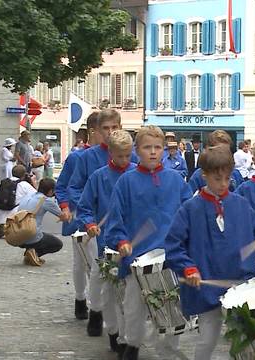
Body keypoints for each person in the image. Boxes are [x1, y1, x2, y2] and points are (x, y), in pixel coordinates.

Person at [165, 145, 255, 360]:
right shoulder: (190, 208)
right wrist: (188, 268)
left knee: (249, 339)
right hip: (208, 283)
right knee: (208, 339)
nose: (223, 184)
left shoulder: (241, 204)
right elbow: (173, 244)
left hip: (242, 281)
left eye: (227, 178)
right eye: (217, 179)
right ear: (204, 175)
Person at [106, 125, 192, 360]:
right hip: (138, 258)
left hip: (170, 256)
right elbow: (116, 218)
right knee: (134, 308)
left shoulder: (176, 181)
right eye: (147, 148)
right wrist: (122, 241)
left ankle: (170, 349)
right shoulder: (126, 182)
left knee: (172, 305)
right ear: (137, 151)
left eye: (157, 147)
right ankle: (132, 345)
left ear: (164, 150)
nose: (153, 152)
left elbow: (189, 215)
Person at [76, 129, 136, 352]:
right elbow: (84, 206)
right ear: (110, 152)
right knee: (105, 288)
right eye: (120, 156)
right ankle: (107, 325)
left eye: (128, 155)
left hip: (132, 242)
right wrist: (90, 224)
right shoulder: (99, 176)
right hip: (106, 243)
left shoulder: (136, 174)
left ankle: (126, 335)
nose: (124, 160)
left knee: (128, 293)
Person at [55, 112, 101, 321]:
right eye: (104, 129)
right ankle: (80, 298)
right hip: (80, 216)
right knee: (81, 263)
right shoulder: (77, 157)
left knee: (98, 263)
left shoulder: (117, 155)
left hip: (104, 217)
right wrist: (65, 207)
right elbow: (63, 185)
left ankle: (98, 305)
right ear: (93, 131)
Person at [17, 178, 67, 266]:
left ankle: (30, 253)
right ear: (51, 191)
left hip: (19, 235)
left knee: (39, 232)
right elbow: (63, 216)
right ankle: (34, 253)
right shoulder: (45, 201)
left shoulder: (29, 195)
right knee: (57, 244)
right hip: (32, 235)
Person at [0, 165, 37, 239]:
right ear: (24, 175)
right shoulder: (24, 185)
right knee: (26, 204)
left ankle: (1, 225)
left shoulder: (2, 183)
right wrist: (33, 182)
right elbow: (36, 196)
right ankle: (12, 228)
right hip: (14, 214)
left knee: (2, 217)